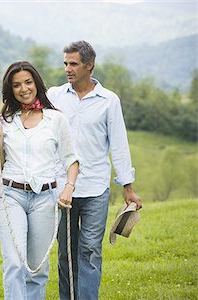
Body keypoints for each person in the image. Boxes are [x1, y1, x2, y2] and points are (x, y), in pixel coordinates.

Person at [47, 41, 143, 300]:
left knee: (90, 251)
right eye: (65, 63)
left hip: (95, 188)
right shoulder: (54, 96)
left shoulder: (109, 101)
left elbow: (119, 144)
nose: (68, 68)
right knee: (66, 253)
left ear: (90, 65)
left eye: (74, 64)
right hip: (62, 188)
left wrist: (128, 188)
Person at [0, 61, 80, 300]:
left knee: (37, 268)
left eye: (28, 82)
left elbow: (71, 160)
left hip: (45, 198)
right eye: (16, 85)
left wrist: (68, 188)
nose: (23, 88)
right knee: (15, 263)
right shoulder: (5, 121)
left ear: (36, 83)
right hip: (11, 196)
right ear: (11, 90)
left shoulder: (55, 119)